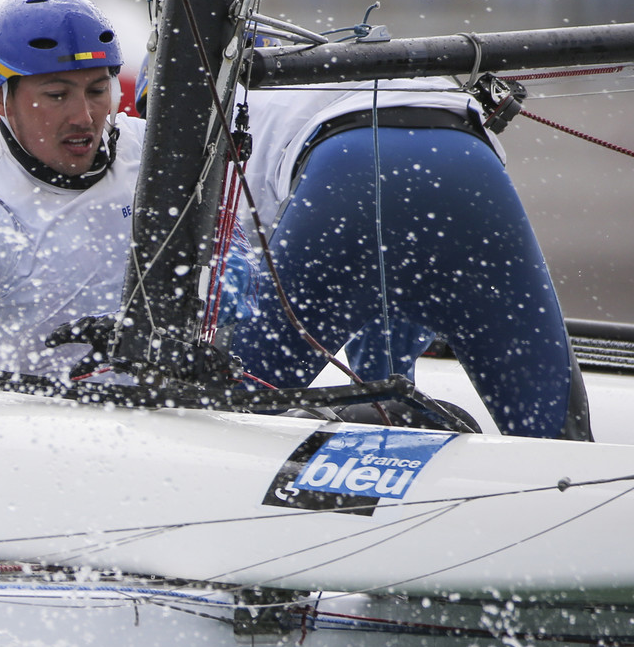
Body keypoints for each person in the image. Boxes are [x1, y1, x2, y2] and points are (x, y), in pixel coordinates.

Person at [0, 0, 254, 382]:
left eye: (97, 91)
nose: (84, 116)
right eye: (57, 95)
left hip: (163, 406)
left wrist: (152, 323)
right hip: (31, 415)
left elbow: (239, 265)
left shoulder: (152, 152)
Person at [226, 78, 590, 439]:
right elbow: (409, 267)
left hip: (346, 173)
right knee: (563, 441)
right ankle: (387, 408)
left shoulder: (226, 102)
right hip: (467, 163)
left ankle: (377, 412)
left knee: (227, 415)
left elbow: (239, 265)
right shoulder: (287, 75)